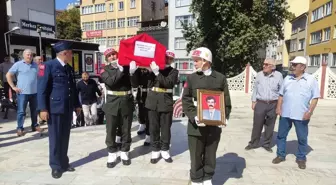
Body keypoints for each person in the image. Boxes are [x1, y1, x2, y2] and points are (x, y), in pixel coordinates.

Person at [182, 47, 232, 185]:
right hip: (196, 125)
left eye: (197, 61)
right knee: (196, 154)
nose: (195, 63)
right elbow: (185, 100)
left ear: (206, 61)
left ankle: (208, 177)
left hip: (214, 124)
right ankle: (196, 178)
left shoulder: (220, 78)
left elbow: (226, 100)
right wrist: (194, 116)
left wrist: (225, 117)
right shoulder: (191, 78)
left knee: (211, 154)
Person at [37, 41, 81, 179]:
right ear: (65, 53)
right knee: (55, 138)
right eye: (71, 52)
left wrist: (77, 104)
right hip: (54, 108)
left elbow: (72, 88)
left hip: (67, 108)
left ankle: (64, 162)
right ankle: (55, 166)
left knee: (64, 137)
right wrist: (42, 108)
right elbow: (41, 89)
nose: (72, 54)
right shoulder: (47, 66)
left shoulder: (68, 67)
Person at [272, 56, 319, 170]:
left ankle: (301, 158)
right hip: (286, 113)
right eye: (292, 64)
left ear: (302, 67)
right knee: (281, 136)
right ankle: (280, 155)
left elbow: (315, 98)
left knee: (302, 138)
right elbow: (281, 95)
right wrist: (278, 107)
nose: (292, 67)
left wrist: (309, 112)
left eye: (294, 65)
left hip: (301, 115)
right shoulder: (287, 78)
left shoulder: (311, 80)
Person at [101, 48, 137, 168]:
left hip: (126, 101)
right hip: (112, 103)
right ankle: (112, 153)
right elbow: (111, 82)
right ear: (106, 59)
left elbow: (135, 84)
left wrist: (132, 73)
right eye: (109, 56)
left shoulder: (126, 67)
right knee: (111, 129)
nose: (112, 57)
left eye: (114, 54)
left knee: (126, 129)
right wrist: (121, 70)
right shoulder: (104, 69)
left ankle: (125, 152)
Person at [145, 50, 179, 164]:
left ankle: (165, 149)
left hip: (165, 101)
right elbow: (146, 82)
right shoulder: (155, 68)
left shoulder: (174, 71)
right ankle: (155, 149)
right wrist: (148, 71)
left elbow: (168, 83)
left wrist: (156, 73)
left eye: (170, 58)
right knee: (153, 127)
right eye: (166, 58)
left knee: (165, 128)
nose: (168, 60)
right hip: (152, 100)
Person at [245, 58, 283, 153]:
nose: (264, 66)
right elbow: (255, 89)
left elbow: (281, 91)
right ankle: (253, 143)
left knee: (270, 125)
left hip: (273, 104)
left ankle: (266, 144)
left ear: (272, 66)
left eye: (266, 64)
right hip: (260, 103)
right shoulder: (259, 75)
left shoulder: (279, 76)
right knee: (257, 124)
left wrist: (280, 106)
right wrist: (253, 101)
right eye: (264, 64)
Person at [6, 49, 41, 136]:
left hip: (34, 93)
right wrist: (13, 87)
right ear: (24, 56)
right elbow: (8, 75)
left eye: (31, 55)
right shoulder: (18, 64)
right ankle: (20, 128)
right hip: (22, 93)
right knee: (21, 111)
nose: (30, 56)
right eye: (28, 55)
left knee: (35, 110)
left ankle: (34, 125)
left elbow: (40, 77)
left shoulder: (35, 65)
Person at [133, 66, 151, 146]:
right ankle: (142, 124)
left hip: (150, 93)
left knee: (149, 115)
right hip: (141, 93)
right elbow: (135, 83)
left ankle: (149, 134)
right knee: (141, 111)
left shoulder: (151, 69)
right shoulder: (138, 70)